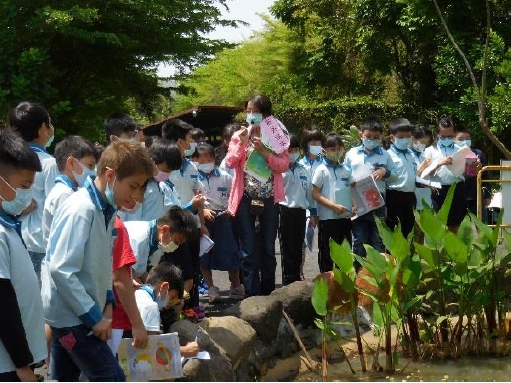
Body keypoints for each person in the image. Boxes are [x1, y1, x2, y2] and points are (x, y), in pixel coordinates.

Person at [41, 140, 154, 382]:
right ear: (110, 175)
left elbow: (102, 264)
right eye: (132, 186)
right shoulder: (82, 208)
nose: (135, 196)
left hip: (78, 311)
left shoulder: (105, 208)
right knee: (111, 377)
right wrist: (94, 317)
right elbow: (61, 269)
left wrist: (107, 300)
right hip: (75, 316)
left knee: (64, 378)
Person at [225, 94, 290, 296]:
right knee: (248, 249)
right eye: (248, 111)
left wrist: (264, 151)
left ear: (266, 114)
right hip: (245, 199)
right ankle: (252, 294)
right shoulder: (239, 135)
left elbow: (284, 165)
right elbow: (230, 161)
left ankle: (269, 292)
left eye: (255, 111)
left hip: (270, 198)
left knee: (269, 248)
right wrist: (243, 143)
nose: (250, 115)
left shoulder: (277, 135)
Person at [0, 129, 46, 382]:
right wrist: (21, 365)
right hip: (7, 364)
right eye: (24, 185)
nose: (27, 194)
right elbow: (3, 303)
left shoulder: (8, 224)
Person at [9, 102, 59, 284]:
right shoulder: (48, 163)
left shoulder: (9, 161)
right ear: (42, 128)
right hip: (39, 243)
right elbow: (56, 207)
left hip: (12, 238)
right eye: (49, 124)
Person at [161, 118, 205, 319]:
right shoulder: (166, 169)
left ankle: (192, 308)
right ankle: (176, 311)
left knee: (192, 270)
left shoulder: (192, 167)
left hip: (192, 225)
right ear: (179, 141)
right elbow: (169, 211)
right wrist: (190, 207)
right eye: (189, 139)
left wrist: (202, 223)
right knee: (180, 272)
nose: (191, 144)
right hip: (175, 231)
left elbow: (198, 198)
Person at [196, 143, 245, 302]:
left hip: (223, 219)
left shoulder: (225, 176)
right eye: (202, 161)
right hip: (203, 219)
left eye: (209, 159)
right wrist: (202, 211)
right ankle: (211, 288)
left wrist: (231, 211)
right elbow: (192, 199)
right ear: (196, 161)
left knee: (231, 252)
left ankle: (236, 286)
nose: (206, 163)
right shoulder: (195, 178)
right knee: (204, 256)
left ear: (214, 159)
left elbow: (234, 196)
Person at [344, 117, 393, 259]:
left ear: (381, 137)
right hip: (357, 200)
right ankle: (359, 274)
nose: (372, 140)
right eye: (368, 137)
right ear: (361, 135)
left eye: (376, 137)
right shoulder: (351, 153)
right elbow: (345, 174)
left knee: (378, 238)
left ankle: (378, 276)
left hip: (378, 200)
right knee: (359, 239)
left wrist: (385, 172)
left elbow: (394, 176)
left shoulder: (385, 154)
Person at [42, 135, 98, 248]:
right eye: (90, 165)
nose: (93, 172)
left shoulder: (69, 191)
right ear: (72, 163)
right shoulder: (64, 195)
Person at [135, 263, 199, 357]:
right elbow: (151, 349)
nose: (170, 304)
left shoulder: (136, 292)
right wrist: (185, 351)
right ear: (164, 287)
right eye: (172, 297)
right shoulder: (150, 307)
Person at [311, 132, 353, 273]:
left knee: (345, 253)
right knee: (326, 254)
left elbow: (351, 190)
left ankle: (343, 286)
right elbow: (315, 194)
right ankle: (327, 286)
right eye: (332, 149)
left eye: (338, 149)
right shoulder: (320, 170)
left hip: (345, 218)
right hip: (328, 218)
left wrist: (354, 206)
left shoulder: (345, 169)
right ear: (324, 151)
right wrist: (333, 206)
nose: (336, 152)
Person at [108, 215, 149, 357]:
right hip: (116, 322)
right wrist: (137, 325)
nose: (139, 199)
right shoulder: (117, 226)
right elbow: (119, 279)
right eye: (135, 191)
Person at [279, 135, 316, 285]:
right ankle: (288, 279)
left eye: (295, 149)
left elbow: (309, 193)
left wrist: (313, 213)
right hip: (284, 210)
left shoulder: (303, 169)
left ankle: (296, 277)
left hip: (301, 211)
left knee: (298, 245)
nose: (293, 152)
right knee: (287, 247)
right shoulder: (279, 170)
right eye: (290, 150)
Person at [117, 138, 184, 221]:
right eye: (165, 171)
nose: (167, 175)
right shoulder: (138, 187)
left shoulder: (162, 185)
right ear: (152, 161)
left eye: (170, 172)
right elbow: (131, 220)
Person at [423, 118, 466, 232]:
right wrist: (438, 164)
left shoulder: (461, 150)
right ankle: (439, 250)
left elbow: (470, 172)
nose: (447, 139)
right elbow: (424, 174)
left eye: (450, 136)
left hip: (457, 188)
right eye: (443, 137)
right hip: (437, 189)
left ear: (454, 133)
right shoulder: (429, 151)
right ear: (437, 134)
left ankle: (452, 249)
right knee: (438, 225)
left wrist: (476, 166)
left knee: (455, 224)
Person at [297, 128, 324, 278]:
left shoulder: (326, 162)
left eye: (319, 142)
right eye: (313, 142)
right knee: (303, 241)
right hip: (306, 208)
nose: (317, 145)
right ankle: (300, 271)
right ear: (306, 144)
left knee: (325, 240)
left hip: (325, 207)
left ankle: (325, 272)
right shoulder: (301, 164)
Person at [385, 118, 417, 238]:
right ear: (392, 138)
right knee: (394, 232)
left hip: (410, 196)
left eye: (408, 136)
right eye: (401, 137)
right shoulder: (387, 155)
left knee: (408, 230)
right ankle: (392, 257)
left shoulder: (411, 154)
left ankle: (407, 256)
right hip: (394, 196)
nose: (405, 139)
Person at [455, 125, 491, 220]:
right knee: (457, 227)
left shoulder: (478, 153)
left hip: (476, 196)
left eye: (467, 138)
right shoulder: (451, 155)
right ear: (454, 140)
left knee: (481, 225)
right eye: (461, 139)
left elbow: (486, 176)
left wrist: (487, 195)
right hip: (458, 196)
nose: (465, 141)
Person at [411, 125, 433, 212]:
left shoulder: (423, 154)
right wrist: (423, 166)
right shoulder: (408, 155)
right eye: (422, 142)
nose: (424, 145)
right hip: (413, 196)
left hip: (425, 195)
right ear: (413, 139)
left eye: (426, 143)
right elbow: (409, 176)